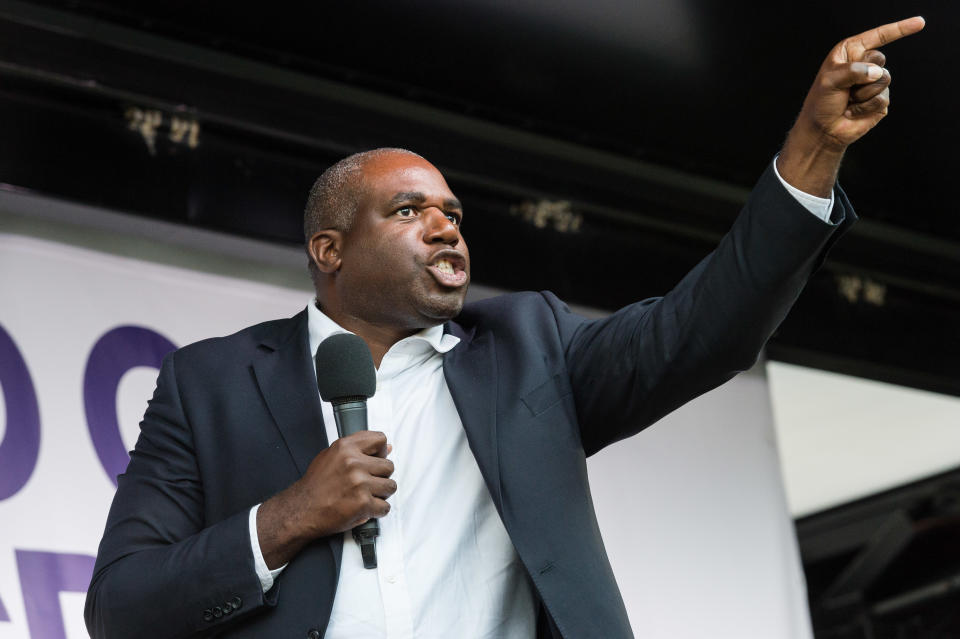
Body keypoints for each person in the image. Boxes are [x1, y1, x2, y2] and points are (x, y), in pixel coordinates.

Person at [85, 17, 925, 639]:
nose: (447, 226)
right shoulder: (211, 383)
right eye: (410, 210)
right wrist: (289, 516)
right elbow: (121, 606)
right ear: (329, 249)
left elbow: (701, 330)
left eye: (453, 212)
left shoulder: (530, 351)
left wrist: (810, 155)